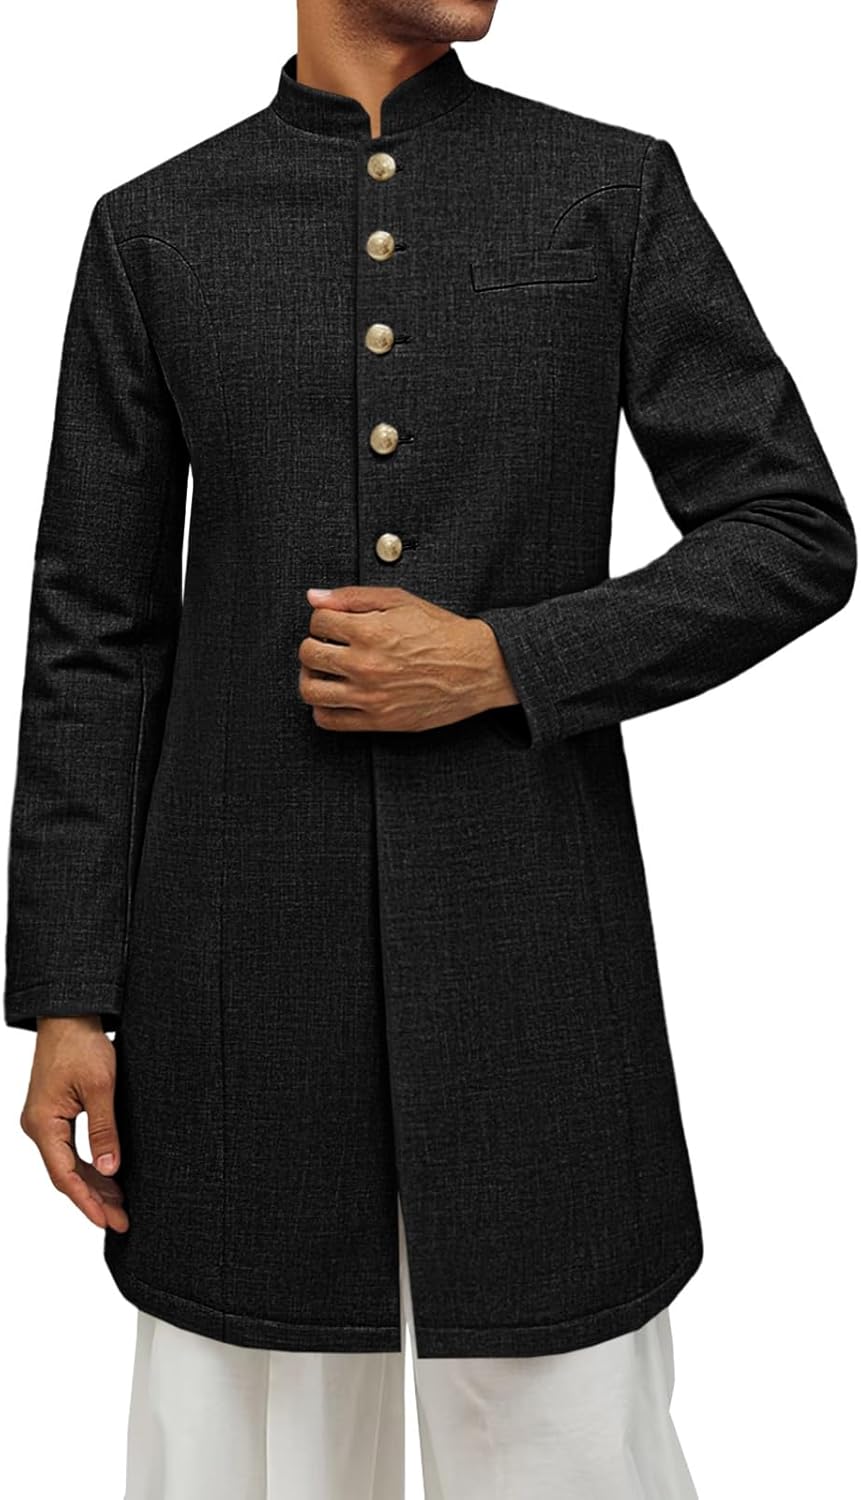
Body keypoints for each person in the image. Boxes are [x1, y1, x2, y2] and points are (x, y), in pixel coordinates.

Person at [4, 2, 855, 1497]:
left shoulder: (606, 188)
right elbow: (96, 631)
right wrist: (70, 998)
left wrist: (506, 660)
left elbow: (790, 530)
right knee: (238, 1460)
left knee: (568, 1447)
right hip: (236, 987)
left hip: (536, 963)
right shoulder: (157, 227)